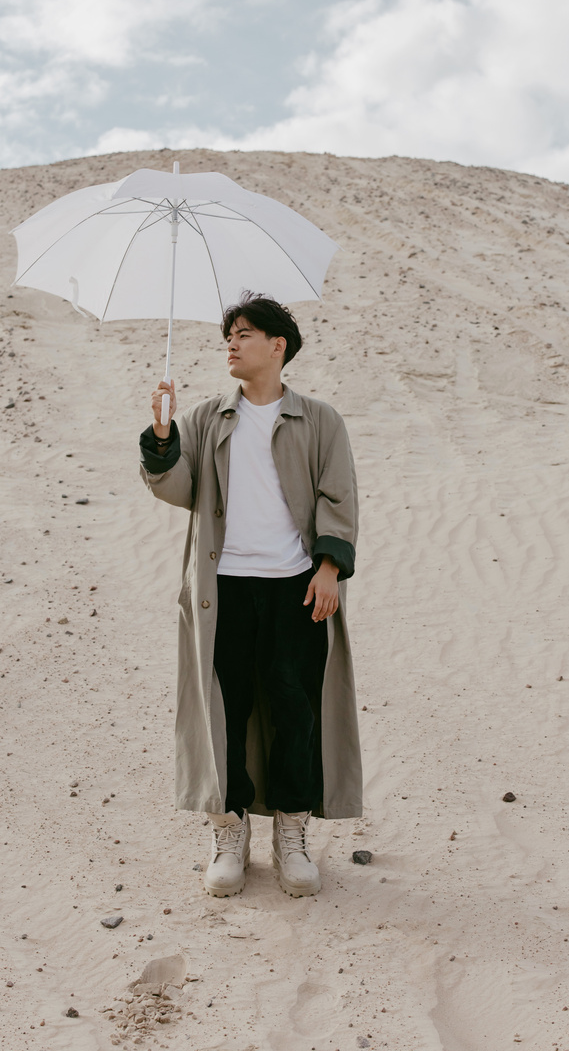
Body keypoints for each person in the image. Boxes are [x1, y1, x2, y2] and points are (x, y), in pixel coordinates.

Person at [139, 291, 362, 898]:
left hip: (296, 589)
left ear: (277, 345)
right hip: (222, 592)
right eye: (228, 336)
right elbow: (178, 487)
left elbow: (336, 498)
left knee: (296, 712)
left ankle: (291, 833)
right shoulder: (209, 417)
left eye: (242, 334)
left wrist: (327, 568)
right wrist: (162, 437)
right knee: (224, 712)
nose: (231, 345)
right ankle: (228, 830)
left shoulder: (319, 420)